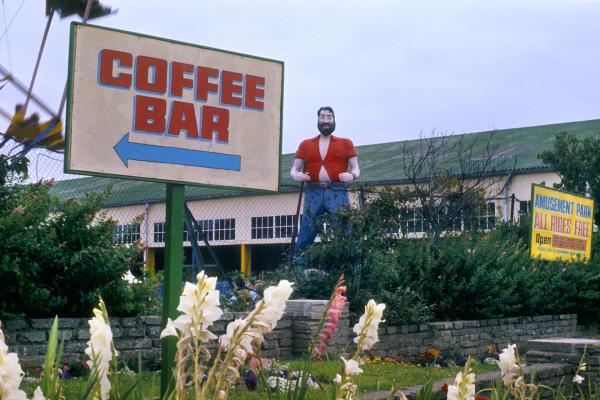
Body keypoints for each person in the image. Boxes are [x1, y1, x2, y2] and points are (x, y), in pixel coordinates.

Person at [290, 106, 360, 260]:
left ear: (334, 120)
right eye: (323, 117)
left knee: (343, 229)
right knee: (307, 229)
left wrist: (352, 175)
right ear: (318, 120)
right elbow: (293, 170)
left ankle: (349, 267)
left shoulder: (346, 143)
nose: (326, 120)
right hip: (313, 191)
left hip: (337, 190)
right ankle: (298, 267)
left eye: (329, 117)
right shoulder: (306, 144)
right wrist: (297, 174)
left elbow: (356, 168)